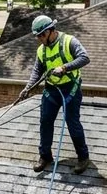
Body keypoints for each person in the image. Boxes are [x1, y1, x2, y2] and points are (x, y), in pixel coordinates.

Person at [19, 15, 91, 174]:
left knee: (72, 123)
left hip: (70, 89)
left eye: (41, 35)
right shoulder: (41, 50)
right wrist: (28, 88)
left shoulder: (69, 41)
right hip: (52, 90)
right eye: (37, 36)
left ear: (51, 31)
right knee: (45, 121)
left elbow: (85, 58)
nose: (39, 39)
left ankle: (83, 157)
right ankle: (45, 156)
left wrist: (64, 68)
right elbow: (37, 71)